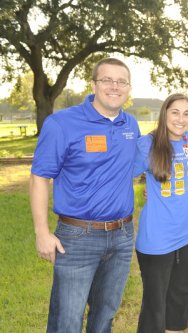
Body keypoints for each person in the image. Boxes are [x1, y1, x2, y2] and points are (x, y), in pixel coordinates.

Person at [29, 57, 140, 333]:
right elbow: (39, 177)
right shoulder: (62, 124)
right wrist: (42, 232)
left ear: (128, 88)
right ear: (93, 84)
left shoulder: (131, 125)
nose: (114, 86)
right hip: (77, 238)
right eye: (107, 80)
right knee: (67, 318)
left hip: (122, 236)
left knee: (104, 316)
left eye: (121, 81)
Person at [133, 93, 188, 333]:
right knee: (155, 308)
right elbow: (122, 177)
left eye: (187, 113)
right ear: (164, 114)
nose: (181, 119)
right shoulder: (147, 144)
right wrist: (144, 190)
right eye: (175, 112)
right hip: (157, 239)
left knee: (179, 304)